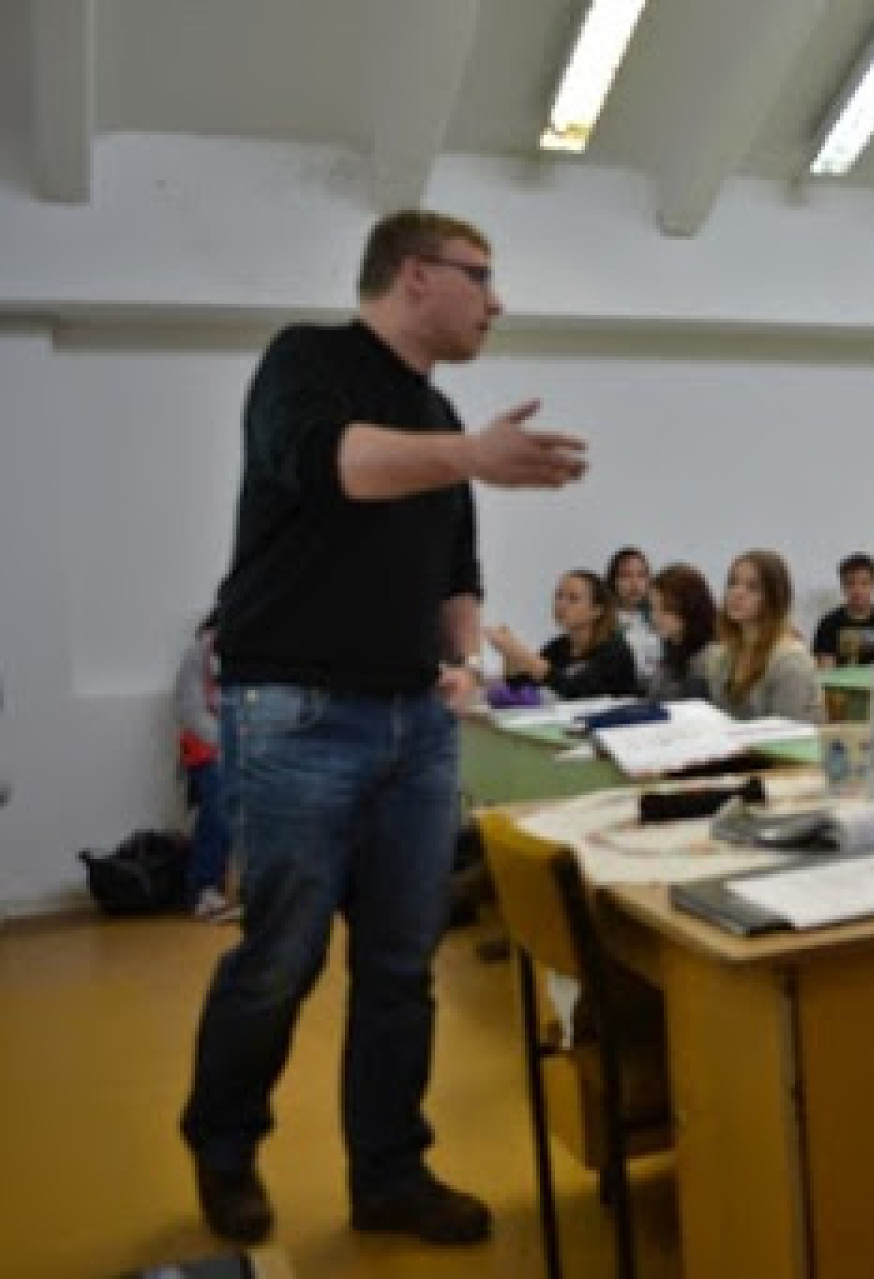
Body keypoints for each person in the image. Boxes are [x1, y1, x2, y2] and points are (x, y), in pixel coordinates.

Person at [182, 209, 586, 1248]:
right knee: (282, 955)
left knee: (403, 966)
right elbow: (338, 465)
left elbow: (457, 572)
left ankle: (390, 1173)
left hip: (417, 720)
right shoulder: (305, 363)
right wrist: (474, 454)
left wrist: (465, 658)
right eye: (479, 276)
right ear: (414, 274)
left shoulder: (439, 413)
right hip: (298, 715)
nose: (496, 301)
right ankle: (223, 1145)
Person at [707, 550, 826, 722]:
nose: (737, 593)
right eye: (733, 583)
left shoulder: (790, 660)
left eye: (752, 587)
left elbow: (789, 731)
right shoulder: (722, 657)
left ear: (774, 597)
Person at [485, 570, 640, 699]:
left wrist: (520, 653)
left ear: (596, 610)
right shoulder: (558, 647)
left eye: (573, 599)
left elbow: (575, 690)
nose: (561, 604)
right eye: (559, 596)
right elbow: (520, 686)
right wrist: (509, 655)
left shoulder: (615, 650)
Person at [176, 609, 237, 923]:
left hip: (248, 748)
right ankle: (203, 889)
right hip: (206, 750)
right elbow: (190, 711)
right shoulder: (197, 654)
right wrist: (227, 744)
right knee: (219, 807)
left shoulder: (252, 654)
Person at [645, 563, 717, 702]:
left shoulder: (711, 658)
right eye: (653, 608)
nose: (655, 617)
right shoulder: (670, 651)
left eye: (665, 609)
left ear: (690, 607)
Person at [811, 552, 874, 669]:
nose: (857, 590)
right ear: (842, 586)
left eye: (864, 583)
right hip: (842, 681)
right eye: (851, 584)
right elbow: (826, 672)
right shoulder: (828, 624)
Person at [605, 545, 662, 677]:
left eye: (641, 575)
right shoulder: (604, 621)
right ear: (613, 581)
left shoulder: (658, 616)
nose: (634, 583)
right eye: (625, 576)